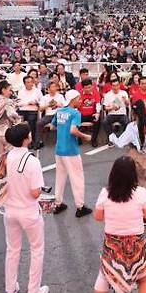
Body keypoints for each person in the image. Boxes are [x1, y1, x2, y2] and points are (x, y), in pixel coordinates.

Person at [91, 156, 146, 293]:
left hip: (113, 245)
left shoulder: (105, 193)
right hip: (136, 245)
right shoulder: (141, 193)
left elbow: (97, 216)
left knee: (104, 276)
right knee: (144, 279)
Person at [2, 123, 49, 293]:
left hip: (10, 211)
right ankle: (33, 292)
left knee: (12, 250)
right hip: (29, 212)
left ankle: (10, 290)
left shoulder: (5, 157)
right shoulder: (32, 161)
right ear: (25, 140)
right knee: (36, 250)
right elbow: (36, 192)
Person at [46, 89, 93, 217]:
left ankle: (58, 203)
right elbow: (73, 130)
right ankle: (80, 206)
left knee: (60, 177)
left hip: (59, 149)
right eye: (78, 98)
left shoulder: (59, 111)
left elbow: (52, 127)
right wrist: (85, 136)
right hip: (71, 150)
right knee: (77, 177)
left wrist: (62, 128)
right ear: (73, 100)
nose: (80, 100)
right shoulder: (75, 113)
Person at [109, 100, 146, 192]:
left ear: (133, 113)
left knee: (134, 183)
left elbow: (120, 143)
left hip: (134, 155)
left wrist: (112, 136)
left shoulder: (132, 127)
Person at [0, 80, 22, 155]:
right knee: (10, 156)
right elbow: (12, 115)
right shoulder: (8, 102)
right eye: (10, 90)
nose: (11, 92)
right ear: (3, 90)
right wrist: (19, 120)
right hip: (7, 132)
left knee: (0, 157)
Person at [35, 81, 65, 149]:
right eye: (52, 87)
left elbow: (65, 106)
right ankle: (39, 141)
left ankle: (63, 141)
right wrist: (48, 104)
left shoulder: (60, 96)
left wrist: (58, 104)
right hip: (48, 115)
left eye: (55, 86)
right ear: (48, 89)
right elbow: (41, 109)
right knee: (39, 123)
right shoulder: (45, 97)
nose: (54, 88)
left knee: (64, 122)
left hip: (59, 114)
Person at [17, 76, 42, 149]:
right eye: (28, 82)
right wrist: (28, 103)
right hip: (22, 110)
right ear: (24, 83)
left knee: (31, 121)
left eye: (31, 82)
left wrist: (36, 102)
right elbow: (19, 103)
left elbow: (42, 101)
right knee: (18, 121)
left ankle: (31, 141)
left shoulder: (37, 91)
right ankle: (22, 140)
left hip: (33, 110)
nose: (30, 83)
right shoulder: (21, 91)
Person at [78, 78, 102, 147]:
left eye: (89, 87)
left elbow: (98, 104)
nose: (88, 89)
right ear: (83, 88)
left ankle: (94, 139)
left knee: (98, 120)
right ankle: (78, 138)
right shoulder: (79, 94)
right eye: (86, 88)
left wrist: (97, 113)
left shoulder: (95, 92)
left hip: (92, 114)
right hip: (81, 114)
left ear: (92, 86)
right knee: (73, 120)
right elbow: (76, 106)